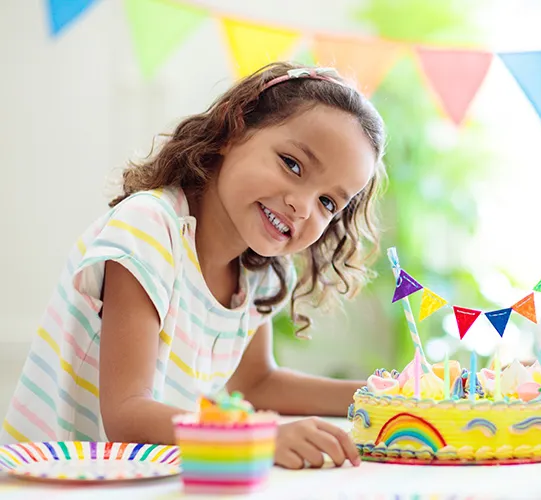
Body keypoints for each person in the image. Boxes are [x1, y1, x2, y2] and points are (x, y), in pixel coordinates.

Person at [1, 62, 387, 470]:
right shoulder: (150, 228)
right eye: (292, 164)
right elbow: (127, 414)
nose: (302, 206)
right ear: (232, 132)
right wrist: (259, 437)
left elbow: (255, 383)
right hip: (54, 483)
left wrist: (379, 398)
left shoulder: (261, 274)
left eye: (328, 202)